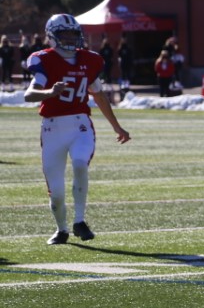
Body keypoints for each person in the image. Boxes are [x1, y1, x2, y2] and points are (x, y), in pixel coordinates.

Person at [23, 14, 131, 244]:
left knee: (81, 163)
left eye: (74, 33)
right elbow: (29, 94)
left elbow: (99, 95)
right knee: (57, 194)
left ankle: (79, 221)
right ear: (52, 36)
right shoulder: (44, 60)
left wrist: (117, 127)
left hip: (80, 124)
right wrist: (49, 92)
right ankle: (61, 229)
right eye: (65, 34)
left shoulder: (89, 60)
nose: (71, 38)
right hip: (52, 128)